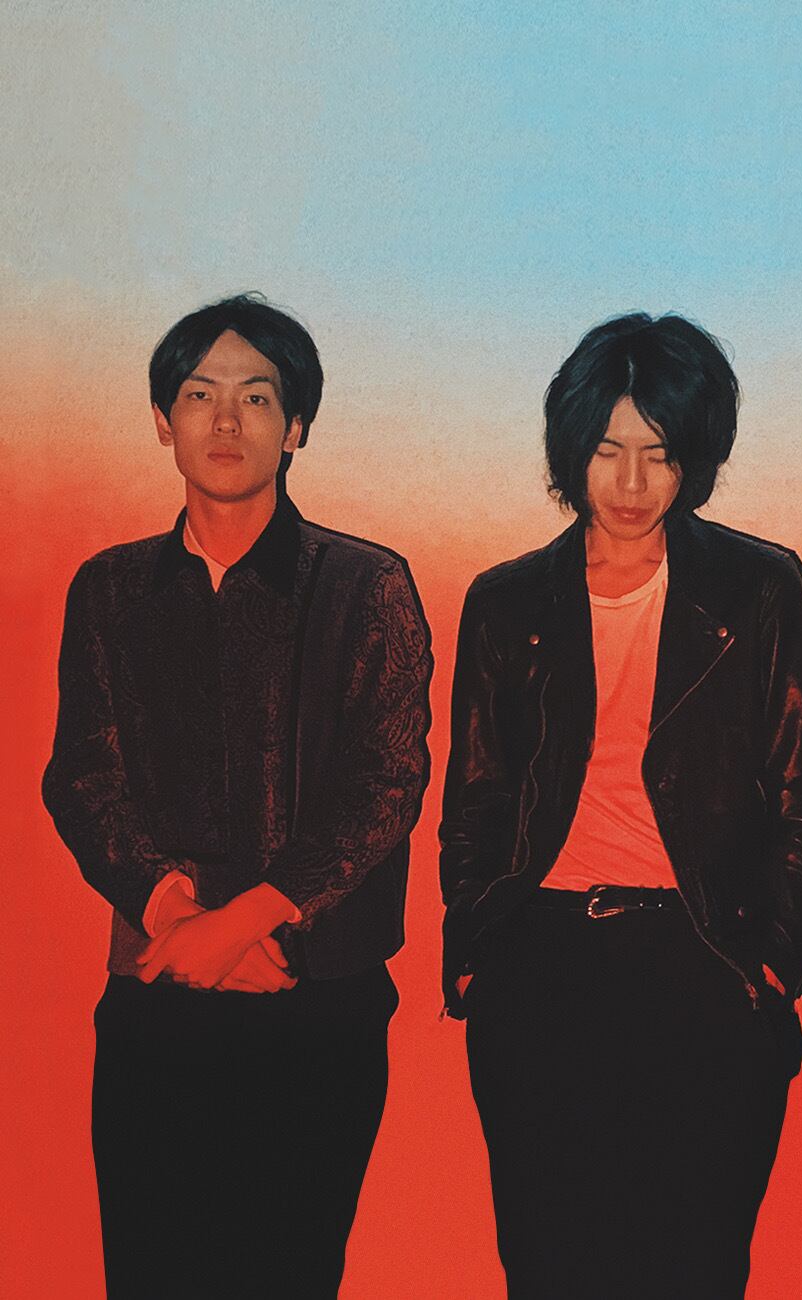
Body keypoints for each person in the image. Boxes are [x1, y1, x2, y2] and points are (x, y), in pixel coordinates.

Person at [440, 312, 802, 1298]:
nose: (629, 482)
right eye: (607, 450)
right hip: (541, 961)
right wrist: (482, 949)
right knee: (550, 1265)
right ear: (571, 448)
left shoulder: (758, 587)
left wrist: (775, 961)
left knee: (693, 1266)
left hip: (703, 954)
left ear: (694, 457)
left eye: (658, 454)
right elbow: (476, 796)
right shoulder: (506, 600)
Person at [42, 294, 433, 1299]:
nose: (226, 420)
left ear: (296, 425)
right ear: (162, 420)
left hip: (316, 1000)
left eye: (257, 397)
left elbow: (386, 781)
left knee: (286, 1275)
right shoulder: (111, 589)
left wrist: (250, 920)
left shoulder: (367, 585)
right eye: (199, 395)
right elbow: (83, 775)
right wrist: (177, 918)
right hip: (157, 986)